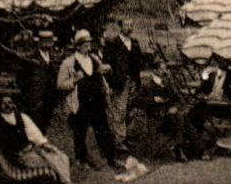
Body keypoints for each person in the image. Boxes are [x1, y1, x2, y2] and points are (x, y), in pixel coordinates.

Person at [0, 94, 79, 184]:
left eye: (10, 102)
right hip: (21, 157)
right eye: (4, 103)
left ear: (14, 104)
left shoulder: (22, 117)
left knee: (59, 155)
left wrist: (44, 144)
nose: (7, 105)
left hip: (34, 150)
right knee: (52, 160)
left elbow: (34, 133)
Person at [57, 29, 119, 170]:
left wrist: (107, 70)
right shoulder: (69, 63)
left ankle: (110, 157)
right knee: (80, 131)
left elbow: (102, 72)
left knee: (102, 128)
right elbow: (60, 84)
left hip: (97, 100)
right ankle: (82, 160)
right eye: (85, 44)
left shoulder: (94, 59)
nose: (88, 46)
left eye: (89, 43)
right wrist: (74, 80)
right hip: (80, 102)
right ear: (78, 46)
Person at [102, 17, 147, 158]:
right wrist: (111, 82)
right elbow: (107, 65)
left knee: (129, 109)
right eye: (127, 25)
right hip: (119, 83)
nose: (129, 27)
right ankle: (119, 141)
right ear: (120, 27)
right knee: (119, 111)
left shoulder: (134, 43)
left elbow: (139, 62)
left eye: (131, 25)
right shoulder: (113, 43)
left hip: (133, 82)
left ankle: (124, 137)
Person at [15, 29, 60, 130]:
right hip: (34, 100)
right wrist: (29, 95)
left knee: (44, 126)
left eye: (50, 42)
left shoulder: (53, 57)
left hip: (49, 100)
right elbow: (20, 79)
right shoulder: (30, 58)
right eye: (45, 42)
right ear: (39, 42)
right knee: (33, 127)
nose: (48, 44)